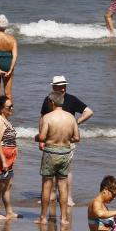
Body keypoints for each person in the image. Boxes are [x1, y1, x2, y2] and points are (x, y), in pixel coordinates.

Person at [39, 75, 93, 208]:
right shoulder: (49, 100)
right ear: (53, 87)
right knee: (49, 169)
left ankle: (68, 197)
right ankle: (51, 194)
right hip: (50, 140)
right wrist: (41, 138)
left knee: (66, 170)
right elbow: (42, 118)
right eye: (59, 87)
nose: (62, 89)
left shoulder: (72, 99)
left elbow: (89, 112)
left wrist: (76, 122)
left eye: (64, 86)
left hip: (68, 140)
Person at [35, 92, 80, 226]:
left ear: (52, 102)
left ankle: (43, 218)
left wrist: (36, 137)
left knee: (46, 185)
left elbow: (42, 137)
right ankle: (64, 218)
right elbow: (77, 138)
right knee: (63, 186)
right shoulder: (71, 117)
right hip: (65, 152)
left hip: (51, 152)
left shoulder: (47, 117)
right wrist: (65, 139)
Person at [0, 96, 20, 221]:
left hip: (9, 157)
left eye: (12, 106)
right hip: (1, 157)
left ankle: (9, 212)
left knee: (8, 185)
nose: (12, 108)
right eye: (9, 107)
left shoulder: (5, 119)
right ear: (2, 109)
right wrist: (3, 161)